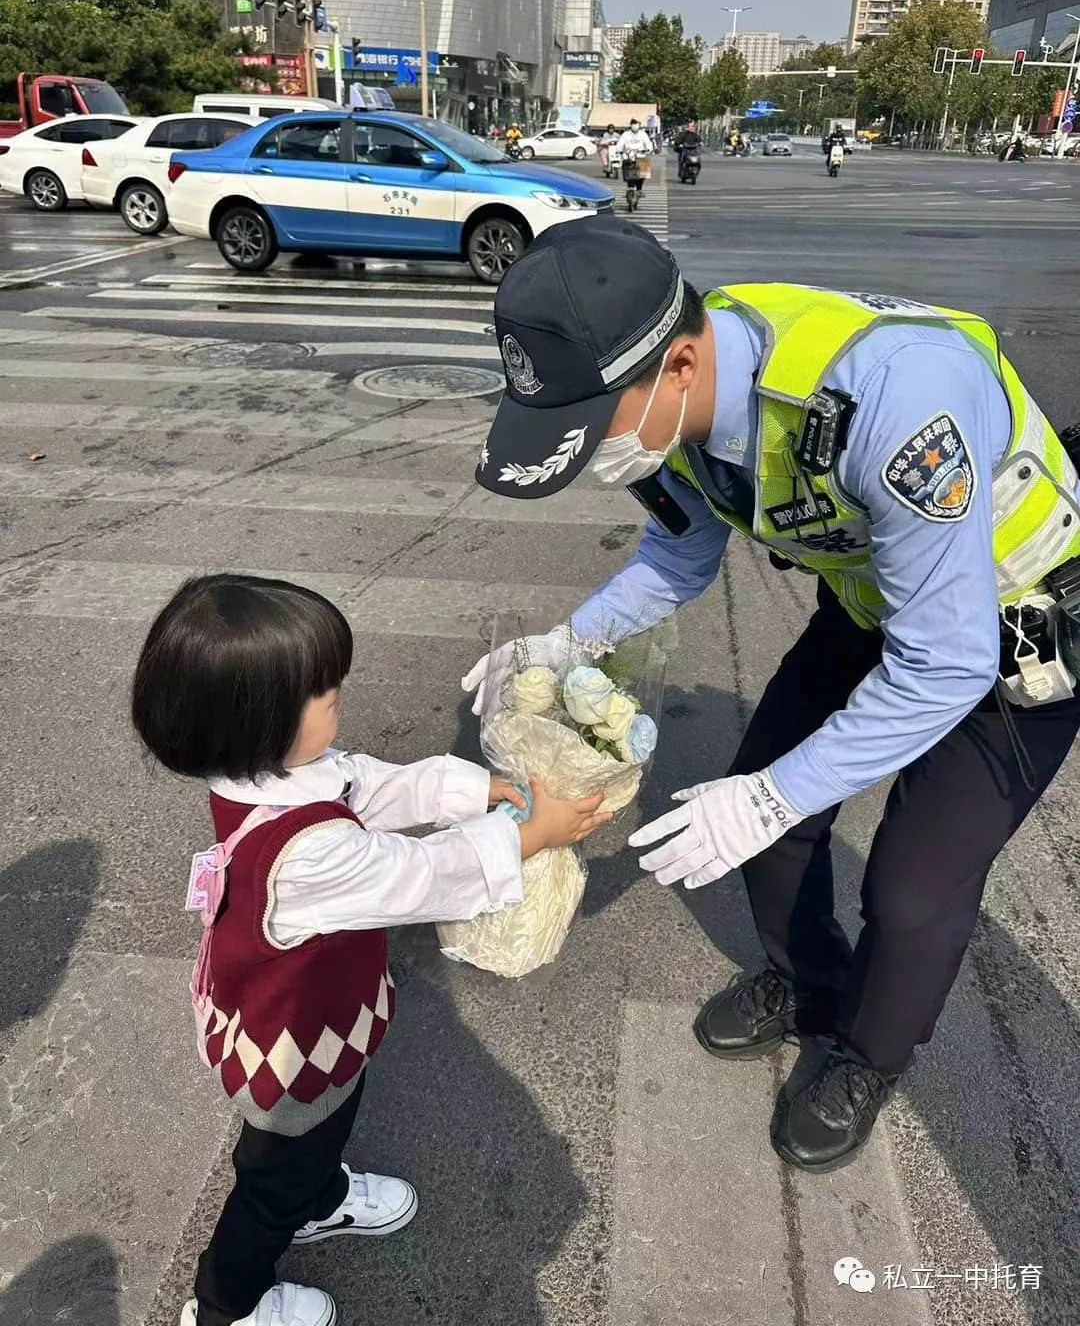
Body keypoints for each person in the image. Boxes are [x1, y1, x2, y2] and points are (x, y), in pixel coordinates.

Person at [465, 216, 1080, 1174]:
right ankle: (810, 986)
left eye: (592, 428)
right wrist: (568, 639)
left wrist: (776, 793)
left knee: (913, 888)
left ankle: (867, 1058)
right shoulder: (682, 406)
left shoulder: (891, 399)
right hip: (877, 600)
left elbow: (947, 663)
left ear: (675, 365)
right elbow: (679, 550)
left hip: (1014, 638)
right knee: (761, 796)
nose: (593, 456)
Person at [132, 573, 609, 1326]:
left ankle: (318, 1199)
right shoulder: (311, 853)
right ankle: (228, 1303)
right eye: (325, 691)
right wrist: (529, 837)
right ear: (263, 722)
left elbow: (368, 785)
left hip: (311, 1018)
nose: (340, 696)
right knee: (271, 1179)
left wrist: (477, 791)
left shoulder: (266, 775)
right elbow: (421, 874)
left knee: (323, 1130)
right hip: (288, 1052)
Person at [617, 118, 654, 197]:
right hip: (628, 156)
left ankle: (639, 189)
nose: (634, 126)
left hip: (640, 155)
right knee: (627, 172)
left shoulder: (643, 134)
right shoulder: (626, 134)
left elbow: (648, 143)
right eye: (633, 124)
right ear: (630, 125)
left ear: (639, 125)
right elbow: (620, 144)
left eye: (636, 124)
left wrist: (648, 149)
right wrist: (619, 150)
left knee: (642, 173)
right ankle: (630, 188)